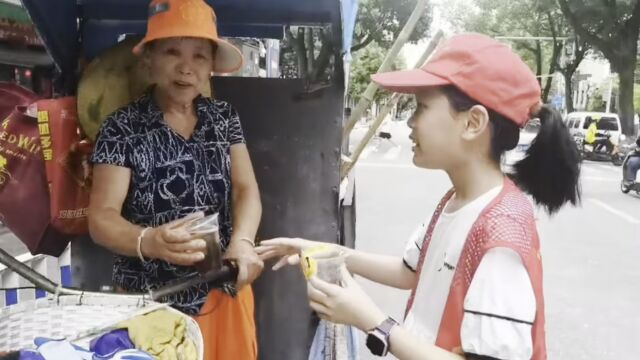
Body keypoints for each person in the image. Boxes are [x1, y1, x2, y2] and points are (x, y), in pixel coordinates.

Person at [256, 33, 581, 360]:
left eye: (421, 107)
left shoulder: (502, 234)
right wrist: (327, 251)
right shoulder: (457, 200)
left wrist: (372, 320)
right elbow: (409, 271)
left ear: (473, 122)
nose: (410, 122)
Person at [88, 0, 262, 358]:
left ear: (211, 66)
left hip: (222, 288)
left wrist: (243, 242)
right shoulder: (121, 128)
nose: (186, 67)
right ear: (149, 61)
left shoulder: (224, 117)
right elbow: (101, 217)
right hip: (152, 304)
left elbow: (246, 190)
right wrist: (149, 240)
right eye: (172, 52)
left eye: (200, 55)